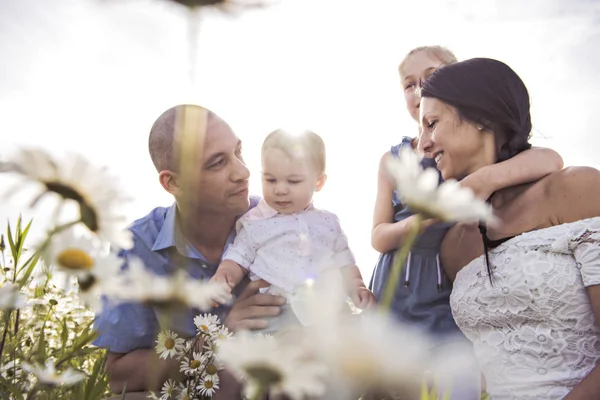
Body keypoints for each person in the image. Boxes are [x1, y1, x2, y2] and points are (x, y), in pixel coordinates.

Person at [369, 46, 564, 399]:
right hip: (403, 281)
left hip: (449, 286)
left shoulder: (466, 157)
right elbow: (379, 234)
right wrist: (423, 220)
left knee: (453, 373)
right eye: (408, 84)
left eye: (429, 78)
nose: (418, 90)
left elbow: (549, 159)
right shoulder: (398, 159)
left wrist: (485, 179)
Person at [418, 57, 600, 400]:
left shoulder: (577, 190)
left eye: (431, 123)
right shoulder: (454, 246)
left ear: (482, 118)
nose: (422, 145)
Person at [93, 104, 286, 399]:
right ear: (174, 182)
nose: (243, 172)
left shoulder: (277, 224)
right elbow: (120, 377)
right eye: (217, 163)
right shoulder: (134, 249)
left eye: (238, 152)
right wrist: (219, 336)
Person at [211, 129, 376, 332]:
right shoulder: (255, 222)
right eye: (271, 180)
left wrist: (357, 287)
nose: (280, 189)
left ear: (319, 182)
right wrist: (223, 278)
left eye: (293, 181)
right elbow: (237, 258)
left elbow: (345, 263)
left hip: (326, 312)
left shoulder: (328, 222)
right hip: (276, 313)